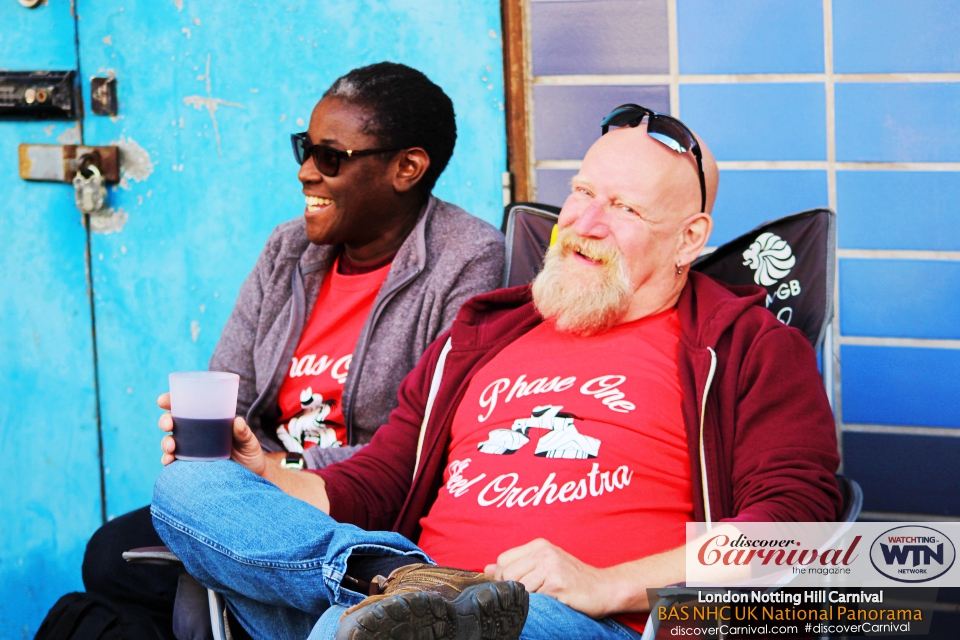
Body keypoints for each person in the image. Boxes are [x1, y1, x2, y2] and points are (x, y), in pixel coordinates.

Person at [150, 104, 842, 640]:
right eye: (582, 192)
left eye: (624, 208)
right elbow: (381, 479)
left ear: (690, 237)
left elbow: (796, 530)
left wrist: (608, 583)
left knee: (360, 629)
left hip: (570, 623)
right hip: (392, 595)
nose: (584, 223)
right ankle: (397, 580)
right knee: (191, 482)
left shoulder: (746, 346)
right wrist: (268, 474)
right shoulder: (485, 331)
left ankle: (397, 598)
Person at [81, 62, 506, 637]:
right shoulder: (288, 249)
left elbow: (425, 440)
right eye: (305, 148)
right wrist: (217, 447)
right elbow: (229, 387)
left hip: (353, 506)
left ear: (407, 167)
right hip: (256, 489)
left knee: (132, 579)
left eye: (331, 157)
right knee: (111, 559)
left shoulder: (467, 258)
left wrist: (286, 469)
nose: (306, 172)